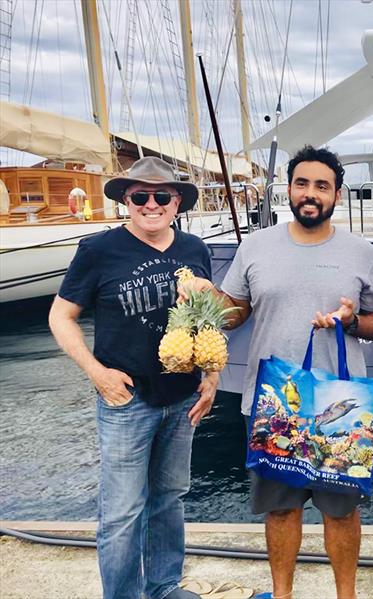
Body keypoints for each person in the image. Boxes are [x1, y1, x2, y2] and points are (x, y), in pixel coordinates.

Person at [178, 145, 373, 599]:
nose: (310, 194)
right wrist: (205, 296)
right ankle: (283, 594)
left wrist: (351, 320)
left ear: (336, 194)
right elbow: (234, 311)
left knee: (341, 514)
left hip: (341, 404)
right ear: (288, 188)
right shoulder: (256, 246)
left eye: (322, 186)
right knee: (279, 510)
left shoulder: (363, 252)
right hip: (272, 404)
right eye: (302, 183)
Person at [48, 156, 218, 599]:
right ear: (126, 199)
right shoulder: (98, 251)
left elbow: (212, 319)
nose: (151, 204)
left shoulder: (196, 249)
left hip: (182, 398)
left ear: (176, 201)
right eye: (140, 195)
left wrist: (212, 378)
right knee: (122, 513)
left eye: (162, 195)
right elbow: (61, 316)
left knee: (170, 499)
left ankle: (163, 587)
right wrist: (96, 372)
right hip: (127, 401)